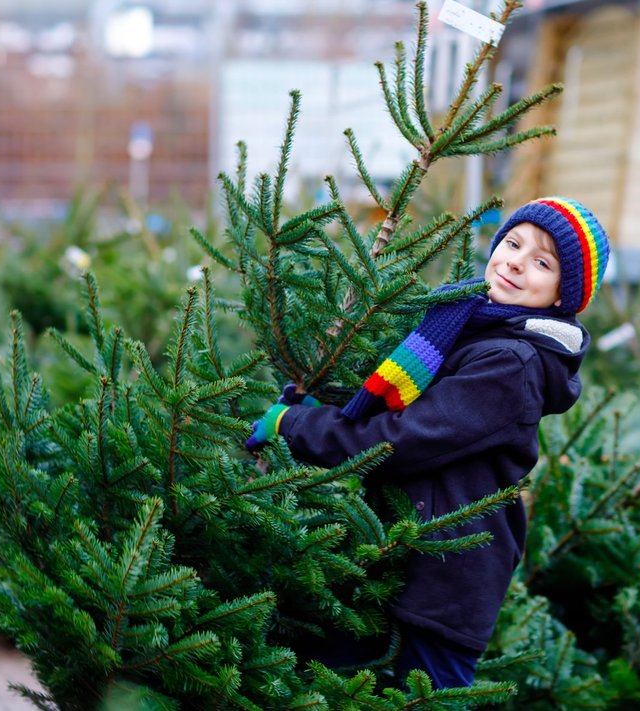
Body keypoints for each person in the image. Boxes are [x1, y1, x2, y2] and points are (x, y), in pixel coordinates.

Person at [246, 196, 611, 689]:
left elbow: (398, 440)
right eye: (513, 242)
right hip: (389, 558)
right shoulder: (465, 320)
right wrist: (323, 408)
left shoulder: (512, 363)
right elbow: (393, 402)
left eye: (542, 262)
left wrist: (293, 426)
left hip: (445, 579)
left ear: (561, 296)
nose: (516, 261)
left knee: (426, 697)